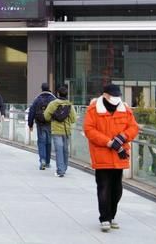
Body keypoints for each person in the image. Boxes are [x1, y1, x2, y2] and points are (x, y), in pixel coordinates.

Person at [84, 84, 139, 232]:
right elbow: (89, 130)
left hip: (119, 155)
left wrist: (122, 137)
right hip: (101, 156)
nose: (116, 99)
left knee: (117, 189)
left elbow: (133, 127)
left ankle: (112, 215)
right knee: (104, 187)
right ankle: (105, 218)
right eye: (113, 96)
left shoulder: (125, 109)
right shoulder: (93, 110)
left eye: (118, 96)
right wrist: (108, 142)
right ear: (105, 95)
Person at [44, 85, 77, 177]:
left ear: (58, 94)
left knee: (59, 150)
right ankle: (64, 168)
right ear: (67, 94)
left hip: (56, 131)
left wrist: (53, 118)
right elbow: (74, 119)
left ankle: (60, 170)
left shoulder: (53, 104)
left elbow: (46, 116)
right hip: (66, 131)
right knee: (65, 150)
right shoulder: (69, 105)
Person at [28, 82, 56, 170]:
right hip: (50, 124)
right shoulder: (53, 99)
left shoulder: (37, 99)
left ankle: (42, 160)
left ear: (42, 89)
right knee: (49, 142)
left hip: (40, 124)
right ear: (49, 88)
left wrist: (30, 124)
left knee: (41, 142)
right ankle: (47, 162)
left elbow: (31, 111)